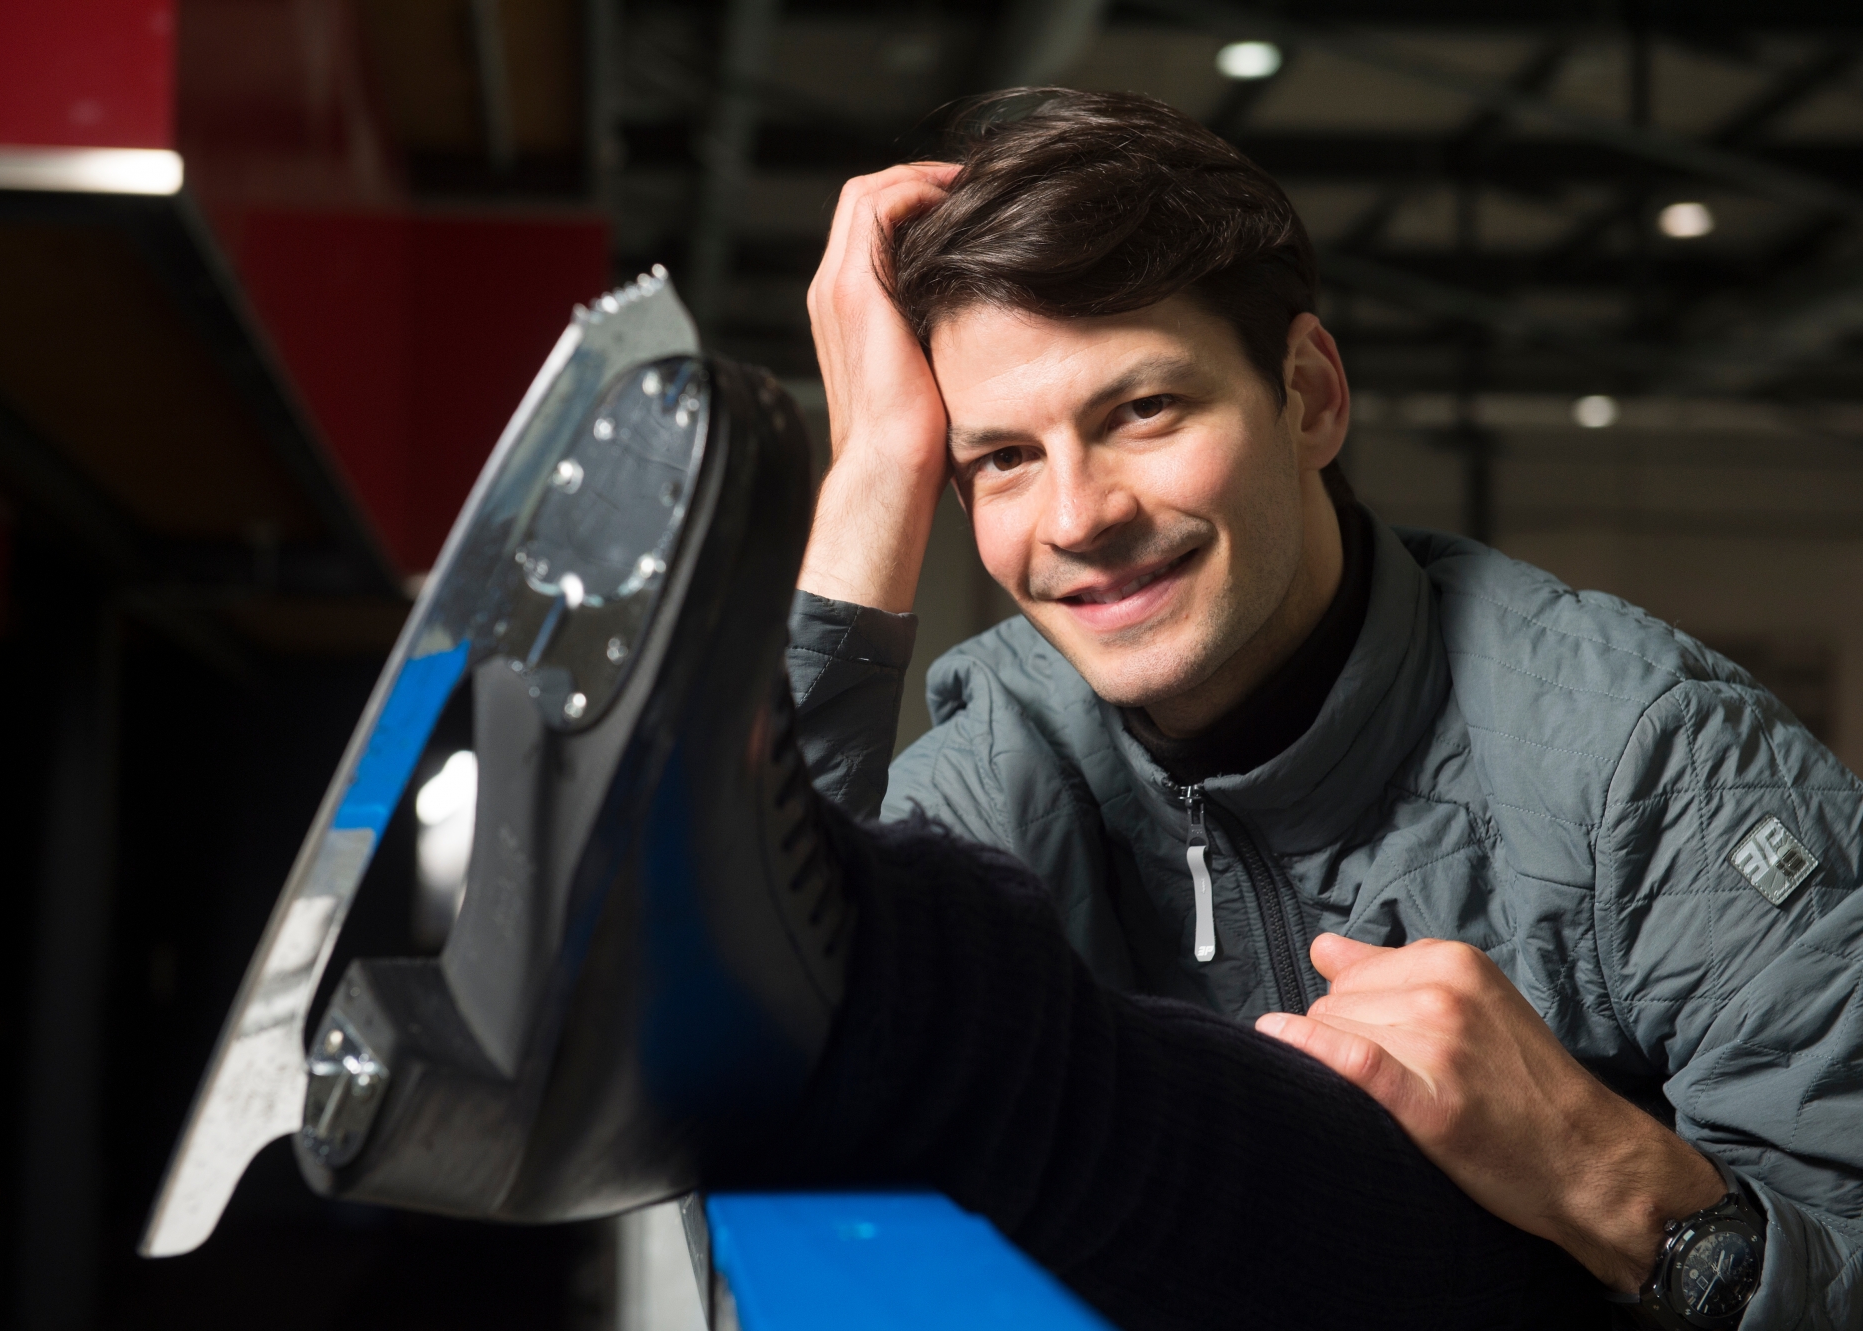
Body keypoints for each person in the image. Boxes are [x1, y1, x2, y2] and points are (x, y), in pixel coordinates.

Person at [776, 89, 1861, 1329]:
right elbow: (741, 1066)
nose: (1076, 517)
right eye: (1001, 458)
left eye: (1141, 410)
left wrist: (1602, 1174)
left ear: (1306, 395)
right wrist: (870, 468)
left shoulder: (1650, 760)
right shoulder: (999, 764)